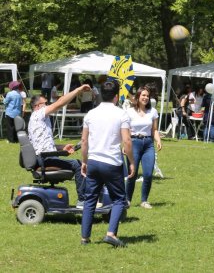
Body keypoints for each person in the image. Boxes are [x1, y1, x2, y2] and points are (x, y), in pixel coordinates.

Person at [80, 80, 135, 247]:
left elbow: (84, 140)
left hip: (94, 161)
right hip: (112, 162)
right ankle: (111, 233)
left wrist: (84, 161)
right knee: (119, 199)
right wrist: (131, 162)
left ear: (100, 95)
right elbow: (127, 141)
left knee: (90, 199)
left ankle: (85, 238)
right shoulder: (121, 114)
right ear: (117, 97)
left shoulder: (90, 114)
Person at [28, 84, 92, 207]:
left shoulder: (39, 120)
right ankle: (82, 200)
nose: (47, 106)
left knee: (76, 163)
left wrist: (61, 148)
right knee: (79, 165)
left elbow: (42, 144)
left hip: (44, 156)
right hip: (44, 159)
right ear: (37, 107)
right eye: (44, 104)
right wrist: (78, 90)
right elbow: (60, 103)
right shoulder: (38, 115)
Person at [125, 86, 162, 209]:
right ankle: (127, 200)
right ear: (138, 97)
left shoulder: (153, 112)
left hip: (148, 144)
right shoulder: (129, 112)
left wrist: (158, 140)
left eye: (147, 96)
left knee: (148, 174)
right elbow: (124, 130)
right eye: (143, 95)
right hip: (133, 142)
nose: (146, 98)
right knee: (132, 173)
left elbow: (154, 130)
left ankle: (144, 200)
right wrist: (125, 145)